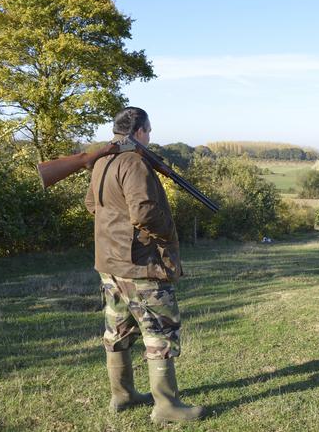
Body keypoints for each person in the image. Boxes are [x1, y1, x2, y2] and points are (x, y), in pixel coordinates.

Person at [85, 107, 205, 423]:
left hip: (109, 263)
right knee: (160, 332)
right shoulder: (134, 162)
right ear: (139, 131)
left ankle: (122, 397)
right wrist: (168, 234)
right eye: (148, 131)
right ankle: (166, 407)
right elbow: (145, 214)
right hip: (140, 266)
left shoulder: (100, 161)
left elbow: (91, 205)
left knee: (118, 330)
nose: (150, 137)